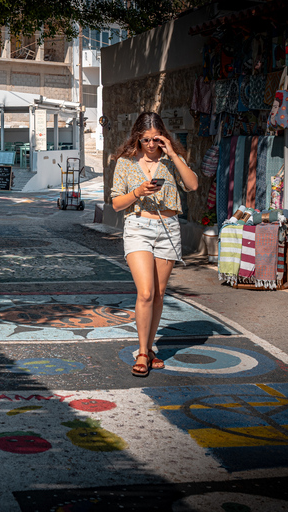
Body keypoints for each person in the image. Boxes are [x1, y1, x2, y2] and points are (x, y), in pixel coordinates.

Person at [110, 112, 198, 377]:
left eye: (155, 140)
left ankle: (149, 348)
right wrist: (138, 192)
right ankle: (142, 352)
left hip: (168, 229)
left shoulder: (172, 161)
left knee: (159, 294)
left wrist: (172, 153)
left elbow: (192, 185)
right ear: (137, 138)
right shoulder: (125, 163)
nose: (150, 145)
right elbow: (116, 204)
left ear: (163, 138)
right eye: (145, 140)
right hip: (138, 227)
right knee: (146, 292)